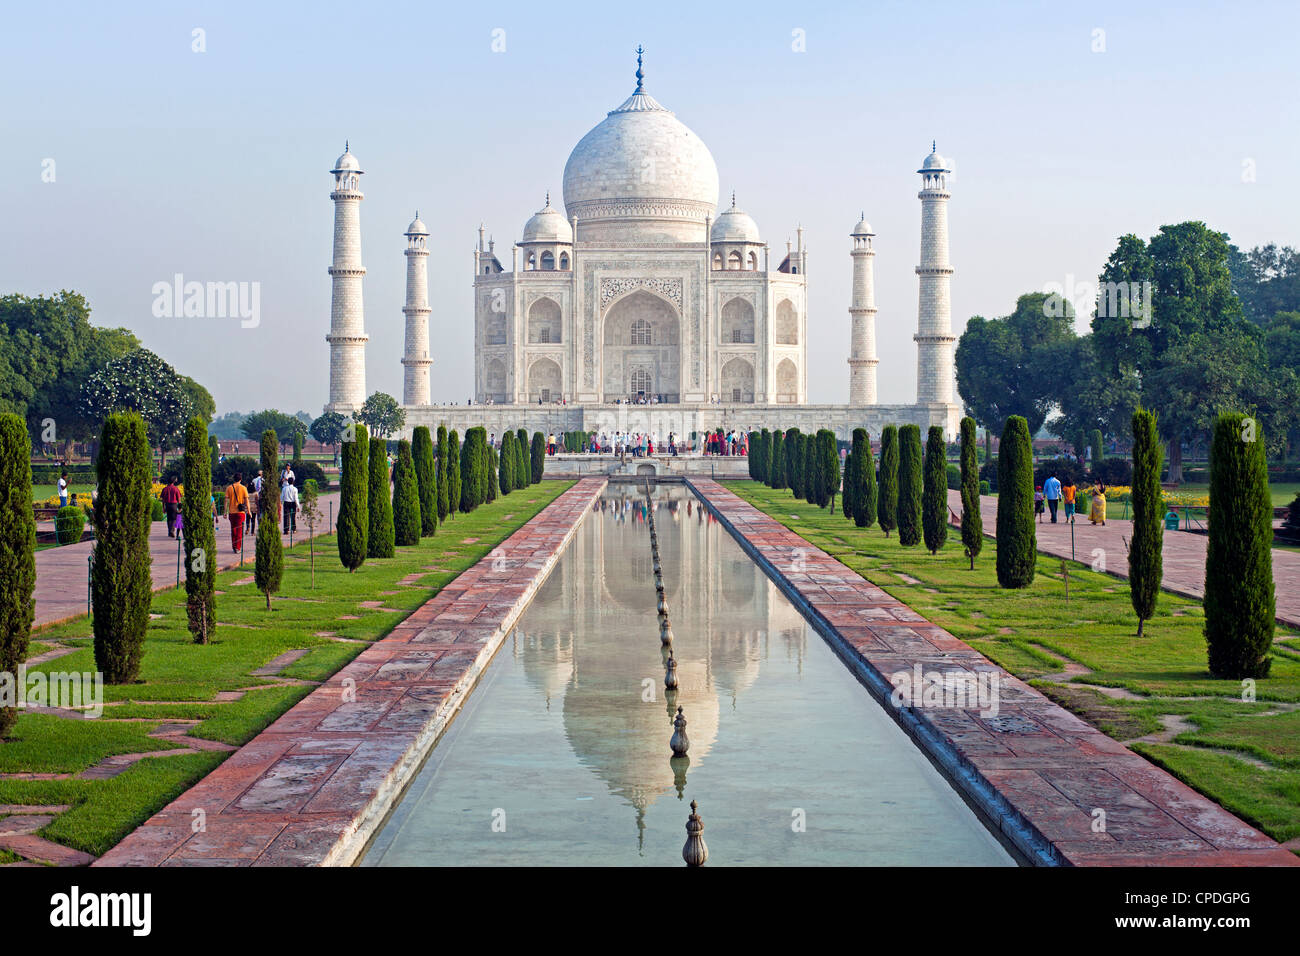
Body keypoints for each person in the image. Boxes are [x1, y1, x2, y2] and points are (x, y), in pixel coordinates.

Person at [225, 472, 249, 553]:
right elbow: (247, 501)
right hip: (240, 512)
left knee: (233, 530)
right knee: (239, 530)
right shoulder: (243, 488)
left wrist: (225, 512)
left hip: (231, 512)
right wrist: (249, 511)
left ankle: (234, 546)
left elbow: (226, 501)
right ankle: (238, 547)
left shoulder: (229, 488)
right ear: (241, 479)